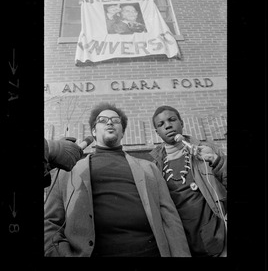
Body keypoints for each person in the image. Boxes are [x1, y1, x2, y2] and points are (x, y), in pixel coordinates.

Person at [44, 102, 191, 257]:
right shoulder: (68, 170)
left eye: (115, 121)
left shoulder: (150, 169)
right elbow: (50, 222)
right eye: (102, 120)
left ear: (122, 132)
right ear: (94, 131)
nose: (109, 122)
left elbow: (171, 219)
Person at [149, 105, 227, 257]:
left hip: (218, 238)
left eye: (172, 120)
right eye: (161, 124)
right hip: (183, 244)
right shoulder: (154, 166)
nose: (168, 125)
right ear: (157, 132)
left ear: (182, 123)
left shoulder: (207, 149)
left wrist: (216, 160)